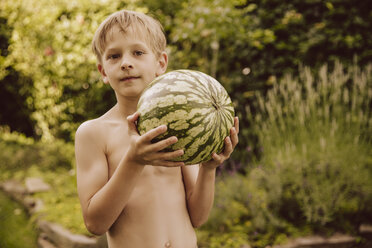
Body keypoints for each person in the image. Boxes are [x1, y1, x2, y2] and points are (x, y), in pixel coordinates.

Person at [75, 9, 239, 248]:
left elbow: (198, 217)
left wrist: (209, 167)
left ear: (161, 63)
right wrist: (133, 160)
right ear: (103, 72)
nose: (126, 63)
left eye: (138, 52)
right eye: (114, 56)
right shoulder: (94, 133)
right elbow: (95, 224)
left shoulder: (179, 125)